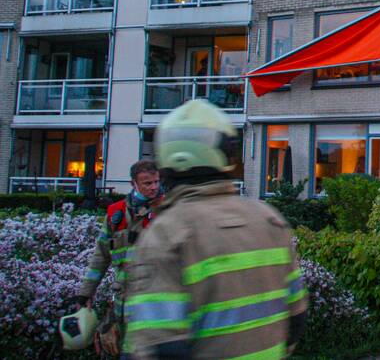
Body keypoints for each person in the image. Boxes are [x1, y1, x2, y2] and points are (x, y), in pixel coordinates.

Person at [123, 99, 307, 359]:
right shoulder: (269, 220)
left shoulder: (165, 235)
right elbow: (297, 317)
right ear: (228, 153)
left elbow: (161, 346)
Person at [76, 160, 164, 358]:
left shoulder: (167, 211)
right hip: (123, 305)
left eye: (156, 182)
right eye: (147, 183)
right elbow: (100, 256)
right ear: (134, 184)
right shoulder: (116, 214)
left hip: (156, 302)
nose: (154, 188)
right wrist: (85, 293)